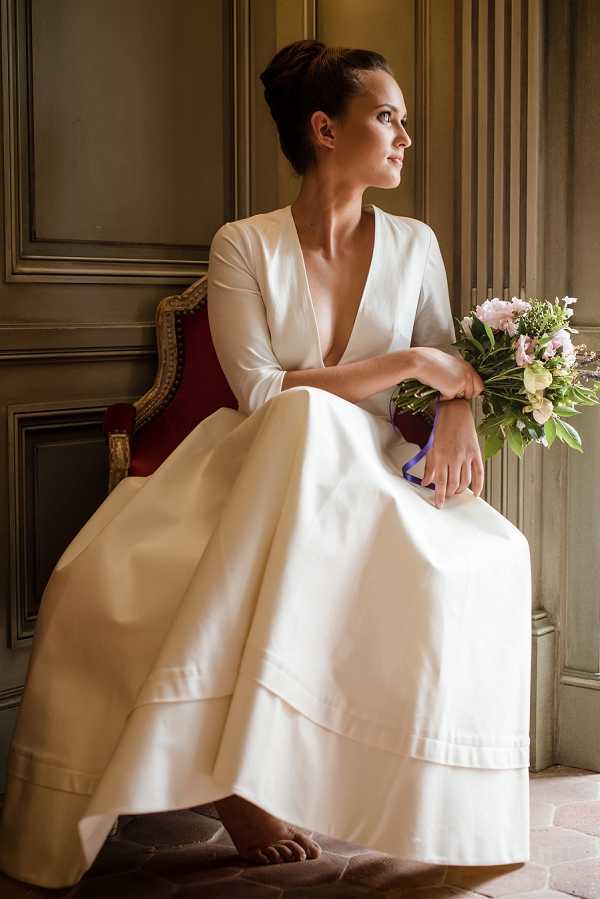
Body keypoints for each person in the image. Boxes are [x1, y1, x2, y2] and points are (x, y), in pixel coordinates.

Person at [0, 40, 532, 888]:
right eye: (387, 118)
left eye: (405, 121)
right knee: (287, 429)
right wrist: (403, 366)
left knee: (503, 550)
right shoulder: (242, 244)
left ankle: (439, 805)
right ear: (325, 128)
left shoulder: (415, 243)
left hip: (367, 465)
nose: (405, 138)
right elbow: (259, 391)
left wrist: (461, 407)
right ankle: (234, 782)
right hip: (258, 459)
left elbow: (444, 361)